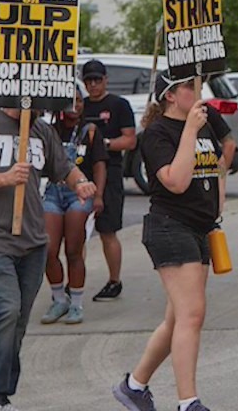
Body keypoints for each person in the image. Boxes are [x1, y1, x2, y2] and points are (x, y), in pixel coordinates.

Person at [0, 104, 96, 411]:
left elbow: (64, 168)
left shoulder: (41, 130)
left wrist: (80, 182)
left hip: (32, 241)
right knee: (6, 309)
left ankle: (2, 396)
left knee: (17, 321)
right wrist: (4, 178)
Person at [113, 72, 231, 411]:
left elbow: (215, 167)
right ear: (170, 95)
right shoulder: (157, 134)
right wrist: (191, 131)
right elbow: (176, 182)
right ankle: (188, 402)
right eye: (189, 87)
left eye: (199, 86)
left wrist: (216, 209)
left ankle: (134, 386)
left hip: (199, 228)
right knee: (192, 315)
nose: (199, 93)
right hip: (170, 226)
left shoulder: (204, 125)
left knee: (177, 319)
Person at [40, 85, 108, 325]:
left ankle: (76, 303)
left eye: (79, 101)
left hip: (80, 193)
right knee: (48, 249)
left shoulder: (90, 131)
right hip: (52, 191)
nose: (75, 106)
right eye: (70, 101)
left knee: (74, 249)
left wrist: (98, 195)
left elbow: (100, 164)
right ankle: (59, 299)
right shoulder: (48, 130)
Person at [80, 59, 137, 303]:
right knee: (76, 233)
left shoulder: (118, 105)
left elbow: (130, 140)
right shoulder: (79, 107)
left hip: (110, 172)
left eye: (97, 80)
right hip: (81, 174)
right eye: (88, 81)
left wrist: (103, 144)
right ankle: (75, 282)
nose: (93, 85)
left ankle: (115, 280)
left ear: (105, 80)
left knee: (107, 230)